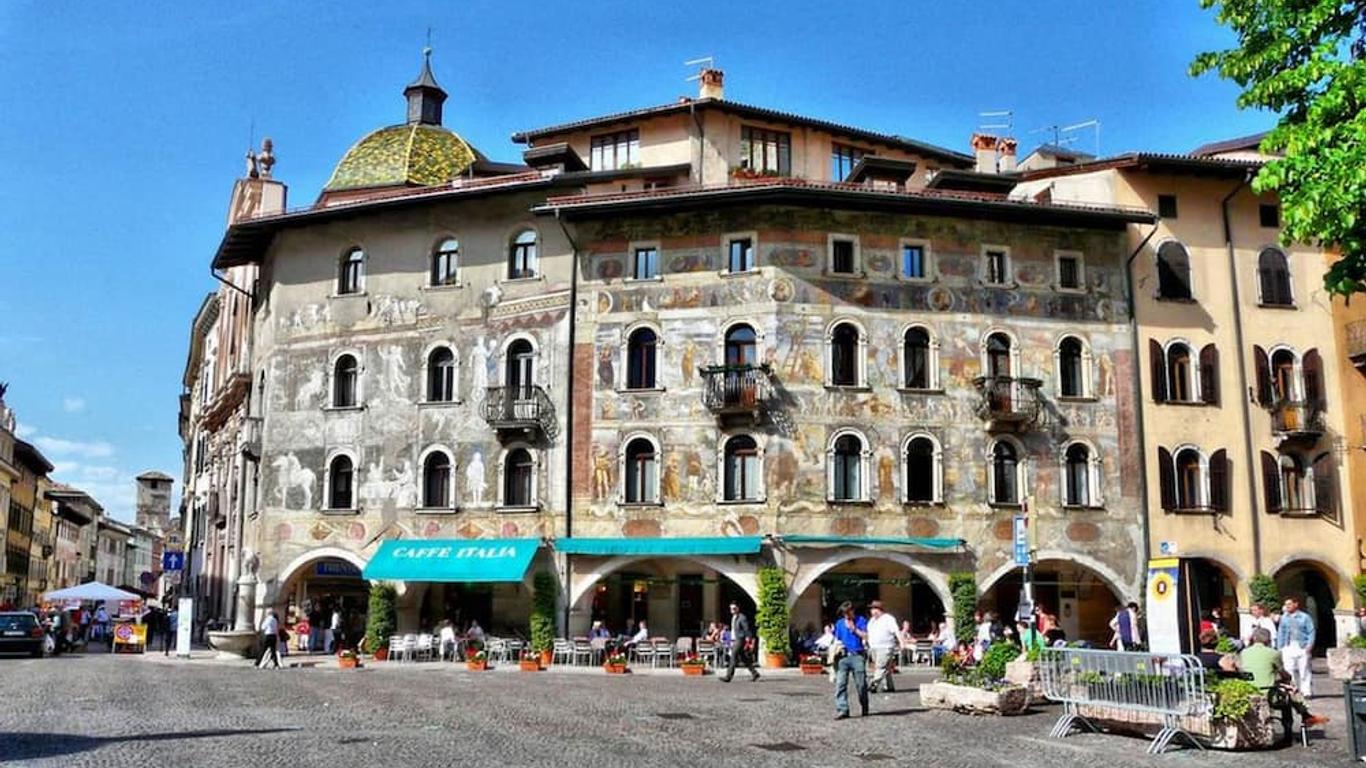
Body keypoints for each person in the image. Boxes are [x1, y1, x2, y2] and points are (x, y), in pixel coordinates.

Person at [1240, 627, 1329, 730]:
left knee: (1287, 688)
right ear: (1268, 640)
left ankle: (1306, 715)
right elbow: (1284, 673)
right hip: (1268, 695)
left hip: (1249, 692)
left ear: (1253, 639)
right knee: (1288, 694)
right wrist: (1286, 680)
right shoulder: (1273, 653)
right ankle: (1300, 719)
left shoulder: (1244, 653)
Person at [832, 602, 869, 719]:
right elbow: (837, 639)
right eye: (844, 614)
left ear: (853, 611)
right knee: (840, 684)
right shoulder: (839, 623)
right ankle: (842, 710)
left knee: (861, 684)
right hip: (843, 657)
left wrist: (854, 629)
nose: (846, 616)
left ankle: (864, 705)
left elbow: (866, 636)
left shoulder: (861, 620)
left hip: (857, 656)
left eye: (848, 613)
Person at [1277, 597, 1315, 697]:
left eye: (1289, 604)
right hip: (1288, 645)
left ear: (1296, 604)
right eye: (1286, 605)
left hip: (1302, 645)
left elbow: (1311, 631)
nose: (1287, 606)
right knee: (1289, 668)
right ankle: (1292, 689)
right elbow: (1281, 632)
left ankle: (1306, 691)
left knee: (1304, 669)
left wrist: (1309, 645)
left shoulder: (1304, 617)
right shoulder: (1284, 618)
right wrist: (1280, 647)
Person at [719, 603, 759, 683]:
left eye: (734, 608)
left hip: (740, 639)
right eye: (731, 609)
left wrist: (749, 638)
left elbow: (746, 628)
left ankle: (728, 676)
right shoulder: (733, 617)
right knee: (743, 658)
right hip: (735, 639)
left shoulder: (742, 617)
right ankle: (755, 673)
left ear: (738, 608)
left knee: (733, 656)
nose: (732, 610)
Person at [866, 600, 900, 694]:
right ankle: (889, 686)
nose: (871, 611)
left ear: (878, 609)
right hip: (874, 647)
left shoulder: (888, 618)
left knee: (880, 667)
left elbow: (896, 631)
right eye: (871, 609)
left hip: (885, 647)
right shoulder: (871, 621)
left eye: (873, 609)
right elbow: (869, 633)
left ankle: (873, 684)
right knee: (885, 668)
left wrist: (902, 641)